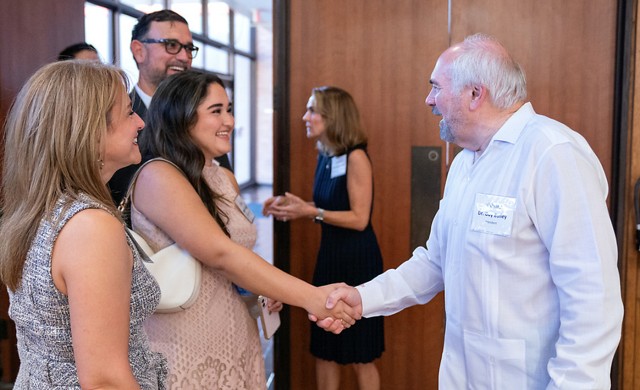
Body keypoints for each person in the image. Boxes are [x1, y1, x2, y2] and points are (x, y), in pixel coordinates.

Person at [317, 33, 624, 389]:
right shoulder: (466, 163)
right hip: (462, 376)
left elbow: (592, 297)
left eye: (436, 87)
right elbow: (434, 262)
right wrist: (363, 298)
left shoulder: (553, 154)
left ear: (475, 94)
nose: (429, 100)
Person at [130, 70, 358, 389]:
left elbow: (240, 253)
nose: (229, 122)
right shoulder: (158, 176)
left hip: (236, 330)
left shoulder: (224, 177)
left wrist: (264, 290)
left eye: (229, 109)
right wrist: (311, 297)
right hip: (184, 341)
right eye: (216, 111)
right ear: (180, 115)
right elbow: (220, 253)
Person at [0, 61, 167, 388]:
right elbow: (106, 380)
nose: (141, 123)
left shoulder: (40, 209)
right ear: (89, 130)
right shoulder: (89, 225)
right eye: (129, 113)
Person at [263, 86, 384, 390]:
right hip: (330, 256)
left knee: (360, 354)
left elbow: (359, 219)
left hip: (357, 260)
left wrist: (309, 212)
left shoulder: (356, 157)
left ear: (333, 117)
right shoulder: (326, 154)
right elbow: (324, 206)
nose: (305, 117)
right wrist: (292, 205)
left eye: (312, 111)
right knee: (325, 349)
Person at [108, 9, 232, 209]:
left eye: (189, 48)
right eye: (171, 45)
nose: (184, 57)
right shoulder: (113, 117)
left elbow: (225, 190)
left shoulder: (204, 117)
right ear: (139, 50)